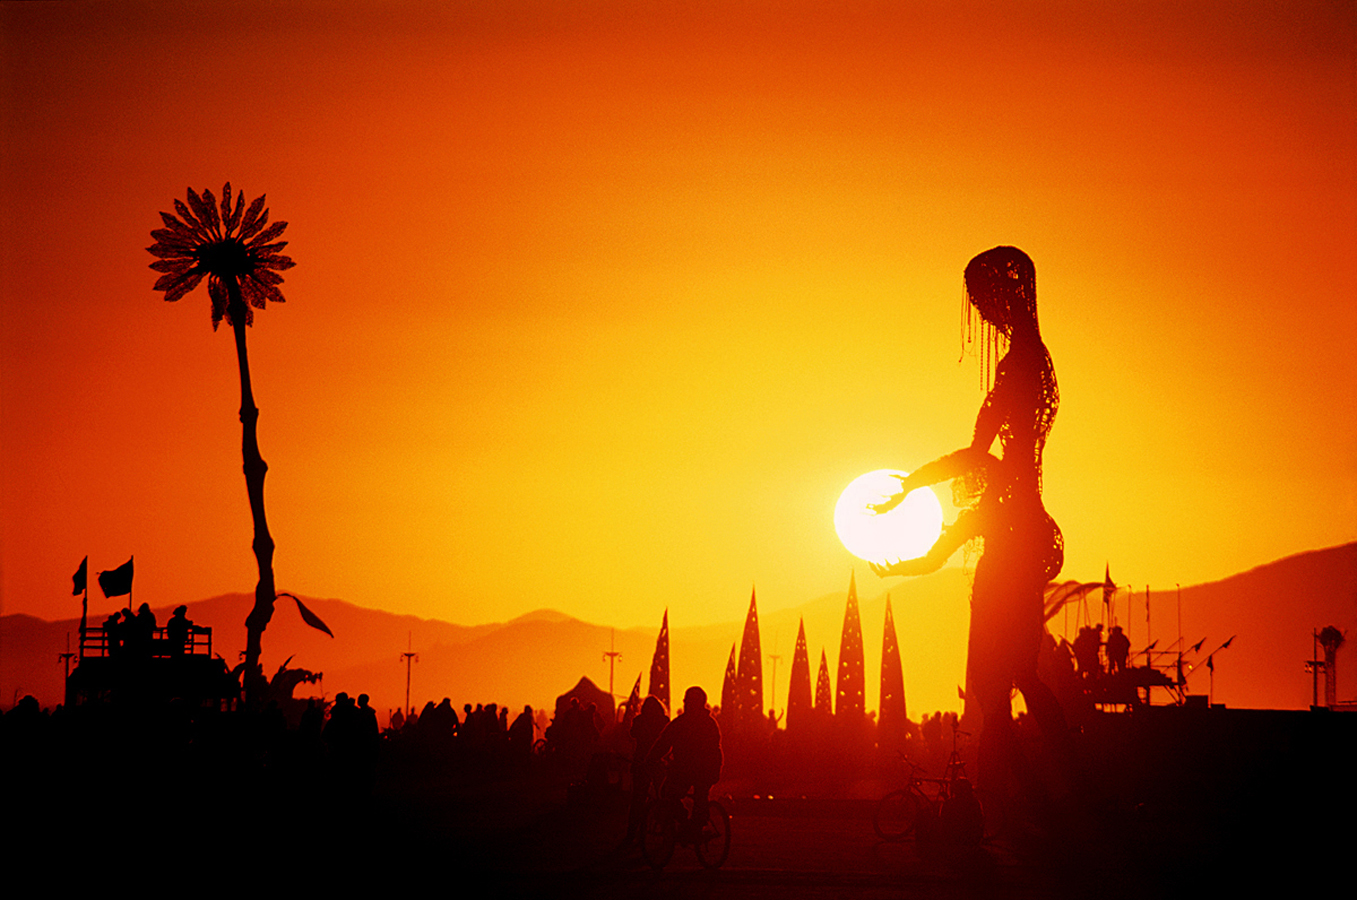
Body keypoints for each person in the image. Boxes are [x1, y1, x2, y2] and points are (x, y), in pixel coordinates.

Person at [871, 247, 1070, 798]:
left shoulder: (1023, 365)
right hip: (1018, 526)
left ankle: (1019, 789)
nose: (983, 314)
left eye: (986, 302)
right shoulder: (1031, 361)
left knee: (1002, 679)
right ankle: (1035, 786)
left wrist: (911, 485)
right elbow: (984, 463)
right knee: (1006, 680)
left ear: (1009, 297)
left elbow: (980, 457)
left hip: (1015, 530)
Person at [646, 686, 722, 840]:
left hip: (702, 768)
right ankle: (688, 824)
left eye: (688, 701)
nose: (686, 704)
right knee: (670, 794)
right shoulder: (698, 723)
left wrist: (650, 759)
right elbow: (663, 743)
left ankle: (695, 825)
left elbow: (663, 743)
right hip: (688, 768)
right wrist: (650, 758)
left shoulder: (695, 724)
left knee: (694, 795)